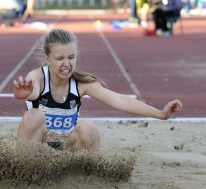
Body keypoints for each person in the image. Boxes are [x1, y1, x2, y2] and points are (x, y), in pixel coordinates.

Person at [13, 29, 183, 152]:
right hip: (40, 148)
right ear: (47, 59)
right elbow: (33, 90)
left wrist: (161, 114)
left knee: (88, 127)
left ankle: (85, 176)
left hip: (67, 147)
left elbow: (120, 100)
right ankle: (27, 171)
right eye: (59, 58)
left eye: (71, 57)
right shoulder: (37, 77)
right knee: (33, 115)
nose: (67, 64)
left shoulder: (81, 83)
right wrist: (26, 94)